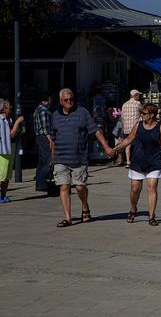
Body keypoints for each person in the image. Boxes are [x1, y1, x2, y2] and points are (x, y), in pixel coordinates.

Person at [49, 88, 114, 226]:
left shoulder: (82, 112)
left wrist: (106, 147)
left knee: (80, 187)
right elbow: (53, 138)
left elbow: (95, 131)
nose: (69, 102)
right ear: (61, 101)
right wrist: (52, 157)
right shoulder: (55, 115)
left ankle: (85, 206)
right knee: (64, 187)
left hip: (79, 157)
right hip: (61, 158)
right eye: (66, 100)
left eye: (71, 99)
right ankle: (68, 217)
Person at [109, 103, 161, 225]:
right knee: (135, 189)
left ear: (152, 115)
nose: (141, 115)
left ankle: (152, 217)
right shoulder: (138, 125)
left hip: (154, 162)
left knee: (152, 188)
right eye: (141, 113)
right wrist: (115, 149)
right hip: (138, 162)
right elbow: (128, 140)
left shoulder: (160, 128)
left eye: (144, 113)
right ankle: (133, 208)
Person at [0, 99, 26, 203]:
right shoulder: (1, 120)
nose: (11, 108)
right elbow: (10, 135)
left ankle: (3, 196)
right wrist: (17, 122)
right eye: (9, 106)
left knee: (7, 175)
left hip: (11, 148)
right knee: (2, 175)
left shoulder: (9, 119)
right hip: (2, 150)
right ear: (3, 108)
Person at [33, 95, 54, 193]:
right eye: (50, 100)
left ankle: (39, 184)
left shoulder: (37, 109)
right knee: (46, 160)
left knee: (41, 161)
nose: (51, 102)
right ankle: (41, 183)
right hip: (44, 137)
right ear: (47, 100)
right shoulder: (44, 111)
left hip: (39, 137)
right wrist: (50, 139)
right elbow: (45, 127)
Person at [117, 89, 142, 168]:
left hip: (127, 128)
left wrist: (123, 127)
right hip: (135, 128)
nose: (139, 96)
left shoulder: (124, 104)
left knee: (127, 144)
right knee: (138, 144)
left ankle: (128, 162)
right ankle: (137, 161)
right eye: (138, 95)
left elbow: (122, 117)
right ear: (135, 95)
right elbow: (143, 112)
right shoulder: (138, 103)